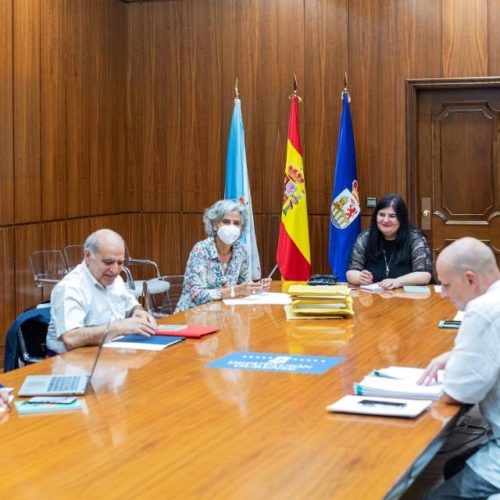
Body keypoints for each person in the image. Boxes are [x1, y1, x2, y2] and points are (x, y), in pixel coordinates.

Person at [418, 237, 500, 498]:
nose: (442, 294)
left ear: (470, 279)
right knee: (454, 465)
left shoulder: (483, 309)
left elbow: (457, 393)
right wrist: (456, 355)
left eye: (446, 285)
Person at [46, 229, 156, 353]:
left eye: (120, 263)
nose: (115, 270)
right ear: (87, 256)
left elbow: (131, 306)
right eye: (108, 262)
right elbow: (71, 338)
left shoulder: (115, 279)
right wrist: (120, 327)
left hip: (111, 354)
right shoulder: (70, 287)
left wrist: (138, 312)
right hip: (74, 361)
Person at [175, 199, 270, 312]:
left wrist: (255, 287)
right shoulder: (201, 250)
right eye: (226, 221)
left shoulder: (241, 250)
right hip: (192, 314)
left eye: (236, 223)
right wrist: (234, 291)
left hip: (224, 313)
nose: (231, 227)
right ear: (215, 225)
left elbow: (242, 284)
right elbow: (197, 294)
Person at [346, 193, 432, 289]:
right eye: (382, 215)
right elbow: (351, 273)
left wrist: (397, 282)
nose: (385, 220)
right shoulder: (365, 237)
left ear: (401, 219)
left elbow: (424, 276)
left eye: (392, 216)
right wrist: (360, 277)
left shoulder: (415, 239)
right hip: (373, 298)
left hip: (406, 298)